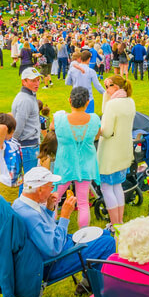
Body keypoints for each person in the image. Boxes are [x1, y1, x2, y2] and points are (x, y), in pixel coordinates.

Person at [12, 167, 115, 278]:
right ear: (40, 189)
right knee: (108, 243)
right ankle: (100, 286)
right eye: (50, 187)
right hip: (53, 263)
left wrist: (49, 208)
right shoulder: (30, 216)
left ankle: (90, 280)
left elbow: (45, 228)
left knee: (104, 234)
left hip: (54, 250)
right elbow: (54, 248)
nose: (52, 190)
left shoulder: (21, 203)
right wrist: (65, 216)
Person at [52, 87, 100, 228]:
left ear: (70, 101)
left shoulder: (59, 119)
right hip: (86, 165)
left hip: (65, 164)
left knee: (55, 198)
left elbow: (51, 127)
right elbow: (96, 136)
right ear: (87, 102)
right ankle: (83, 235)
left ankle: (51, 229)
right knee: (83, 202)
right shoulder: (94, 119)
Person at [98, 75, 136, 226]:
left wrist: (97, 129)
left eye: (109, 86)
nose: (106, 89)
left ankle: (115, 224)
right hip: (124, 149)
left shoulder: (113, 105)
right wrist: (106, 96)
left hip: (110, 151)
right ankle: (119, 221)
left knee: (106, 187)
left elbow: (106, 131)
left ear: (117, 87)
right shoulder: (130, 101)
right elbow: (105, 110)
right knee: (117, 186)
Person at [12, 67, 47, 171]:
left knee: (29, 181)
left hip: (29, 145)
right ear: (24, 82)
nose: (37, 83)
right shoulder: (25, 100)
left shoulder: (29, 95)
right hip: (27, 146)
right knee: (29, 182)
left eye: (38, 80)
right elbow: (18, 126)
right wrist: (14, 144)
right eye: (32, 80)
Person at [0, 112, 25, 201]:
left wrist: (6, 117)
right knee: (8, 212)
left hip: (16, 184)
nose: (12, 134)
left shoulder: (11, 140)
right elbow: (3, 128)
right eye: (10, 132)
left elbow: (11, 115)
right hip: (6, 186)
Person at [66, 50, 106, 114]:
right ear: (89, 59)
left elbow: (67, 82)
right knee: (88, 119)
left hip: (76, 96)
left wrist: (75, 83)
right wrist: (105, 92)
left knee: (76, 118)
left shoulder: (72, 69)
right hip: (88, 98)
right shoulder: (91, 71)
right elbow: (97, 85)